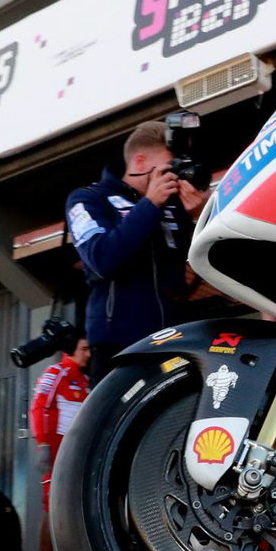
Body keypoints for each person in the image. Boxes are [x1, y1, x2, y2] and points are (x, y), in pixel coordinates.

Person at [66, 120, 207, 383]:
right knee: (115, 424)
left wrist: (199, 218)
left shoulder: (171, 206)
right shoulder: (88, 198)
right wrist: (150, 204)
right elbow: (102, 258)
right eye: (169, 166)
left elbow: (193, 271)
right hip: (118, 346)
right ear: (140, 162)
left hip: (171, 341)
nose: (174, 175)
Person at [29, 336, 92, 551]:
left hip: (77, 453)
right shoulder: (56, 373)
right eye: (84, 349)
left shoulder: (86, 381)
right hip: (56, 452)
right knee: (51, 510)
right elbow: (39, 405)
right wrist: (42, 444)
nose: (88, 354)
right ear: (70, 350)